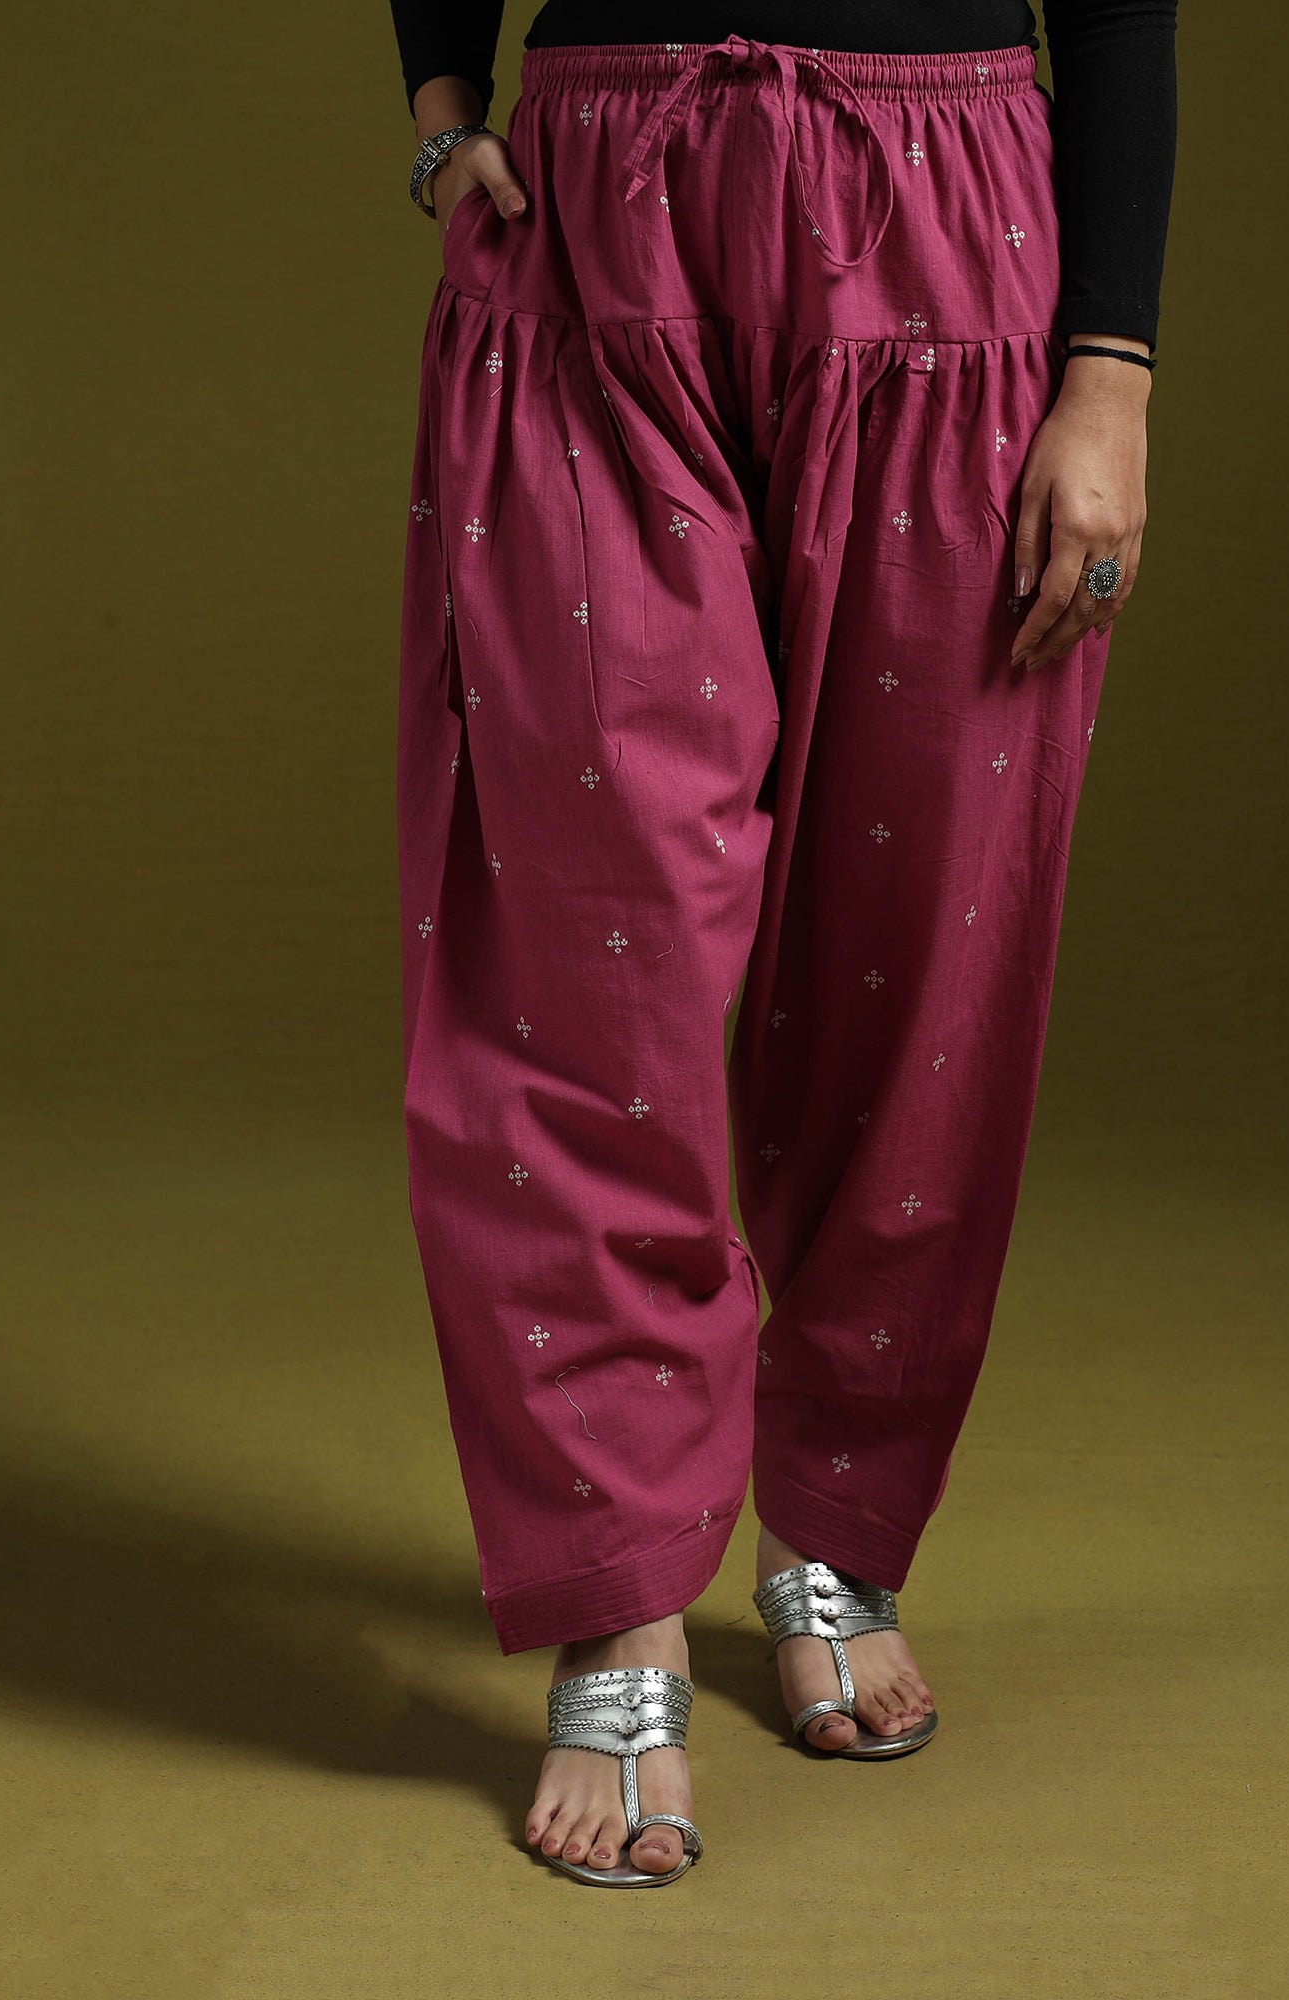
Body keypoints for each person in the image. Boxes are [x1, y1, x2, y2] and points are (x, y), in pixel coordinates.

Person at [388, 0, 1176, 1887]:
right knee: (590, 959)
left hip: (949, 226)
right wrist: (440, 95)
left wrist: (1113, 370)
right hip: (598, 227)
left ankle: (837, 1509)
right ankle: (618, 1587)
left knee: (922, 949)